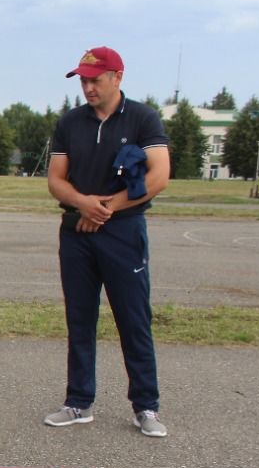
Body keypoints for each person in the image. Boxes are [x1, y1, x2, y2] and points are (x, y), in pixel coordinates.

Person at [44, 46, 171, 437]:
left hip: (122, 231)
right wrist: (84, 204)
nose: (88, 87)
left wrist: (107, 208)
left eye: (94, 79)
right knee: (80, 318)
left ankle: (145, 406)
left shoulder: (143, 118)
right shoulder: (70, 123)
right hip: (77, 232)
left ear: (117, 77)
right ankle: (78, 401)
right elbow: (56, 180)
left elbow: (159, 175)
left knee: (133, 319)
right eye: (83, 80)